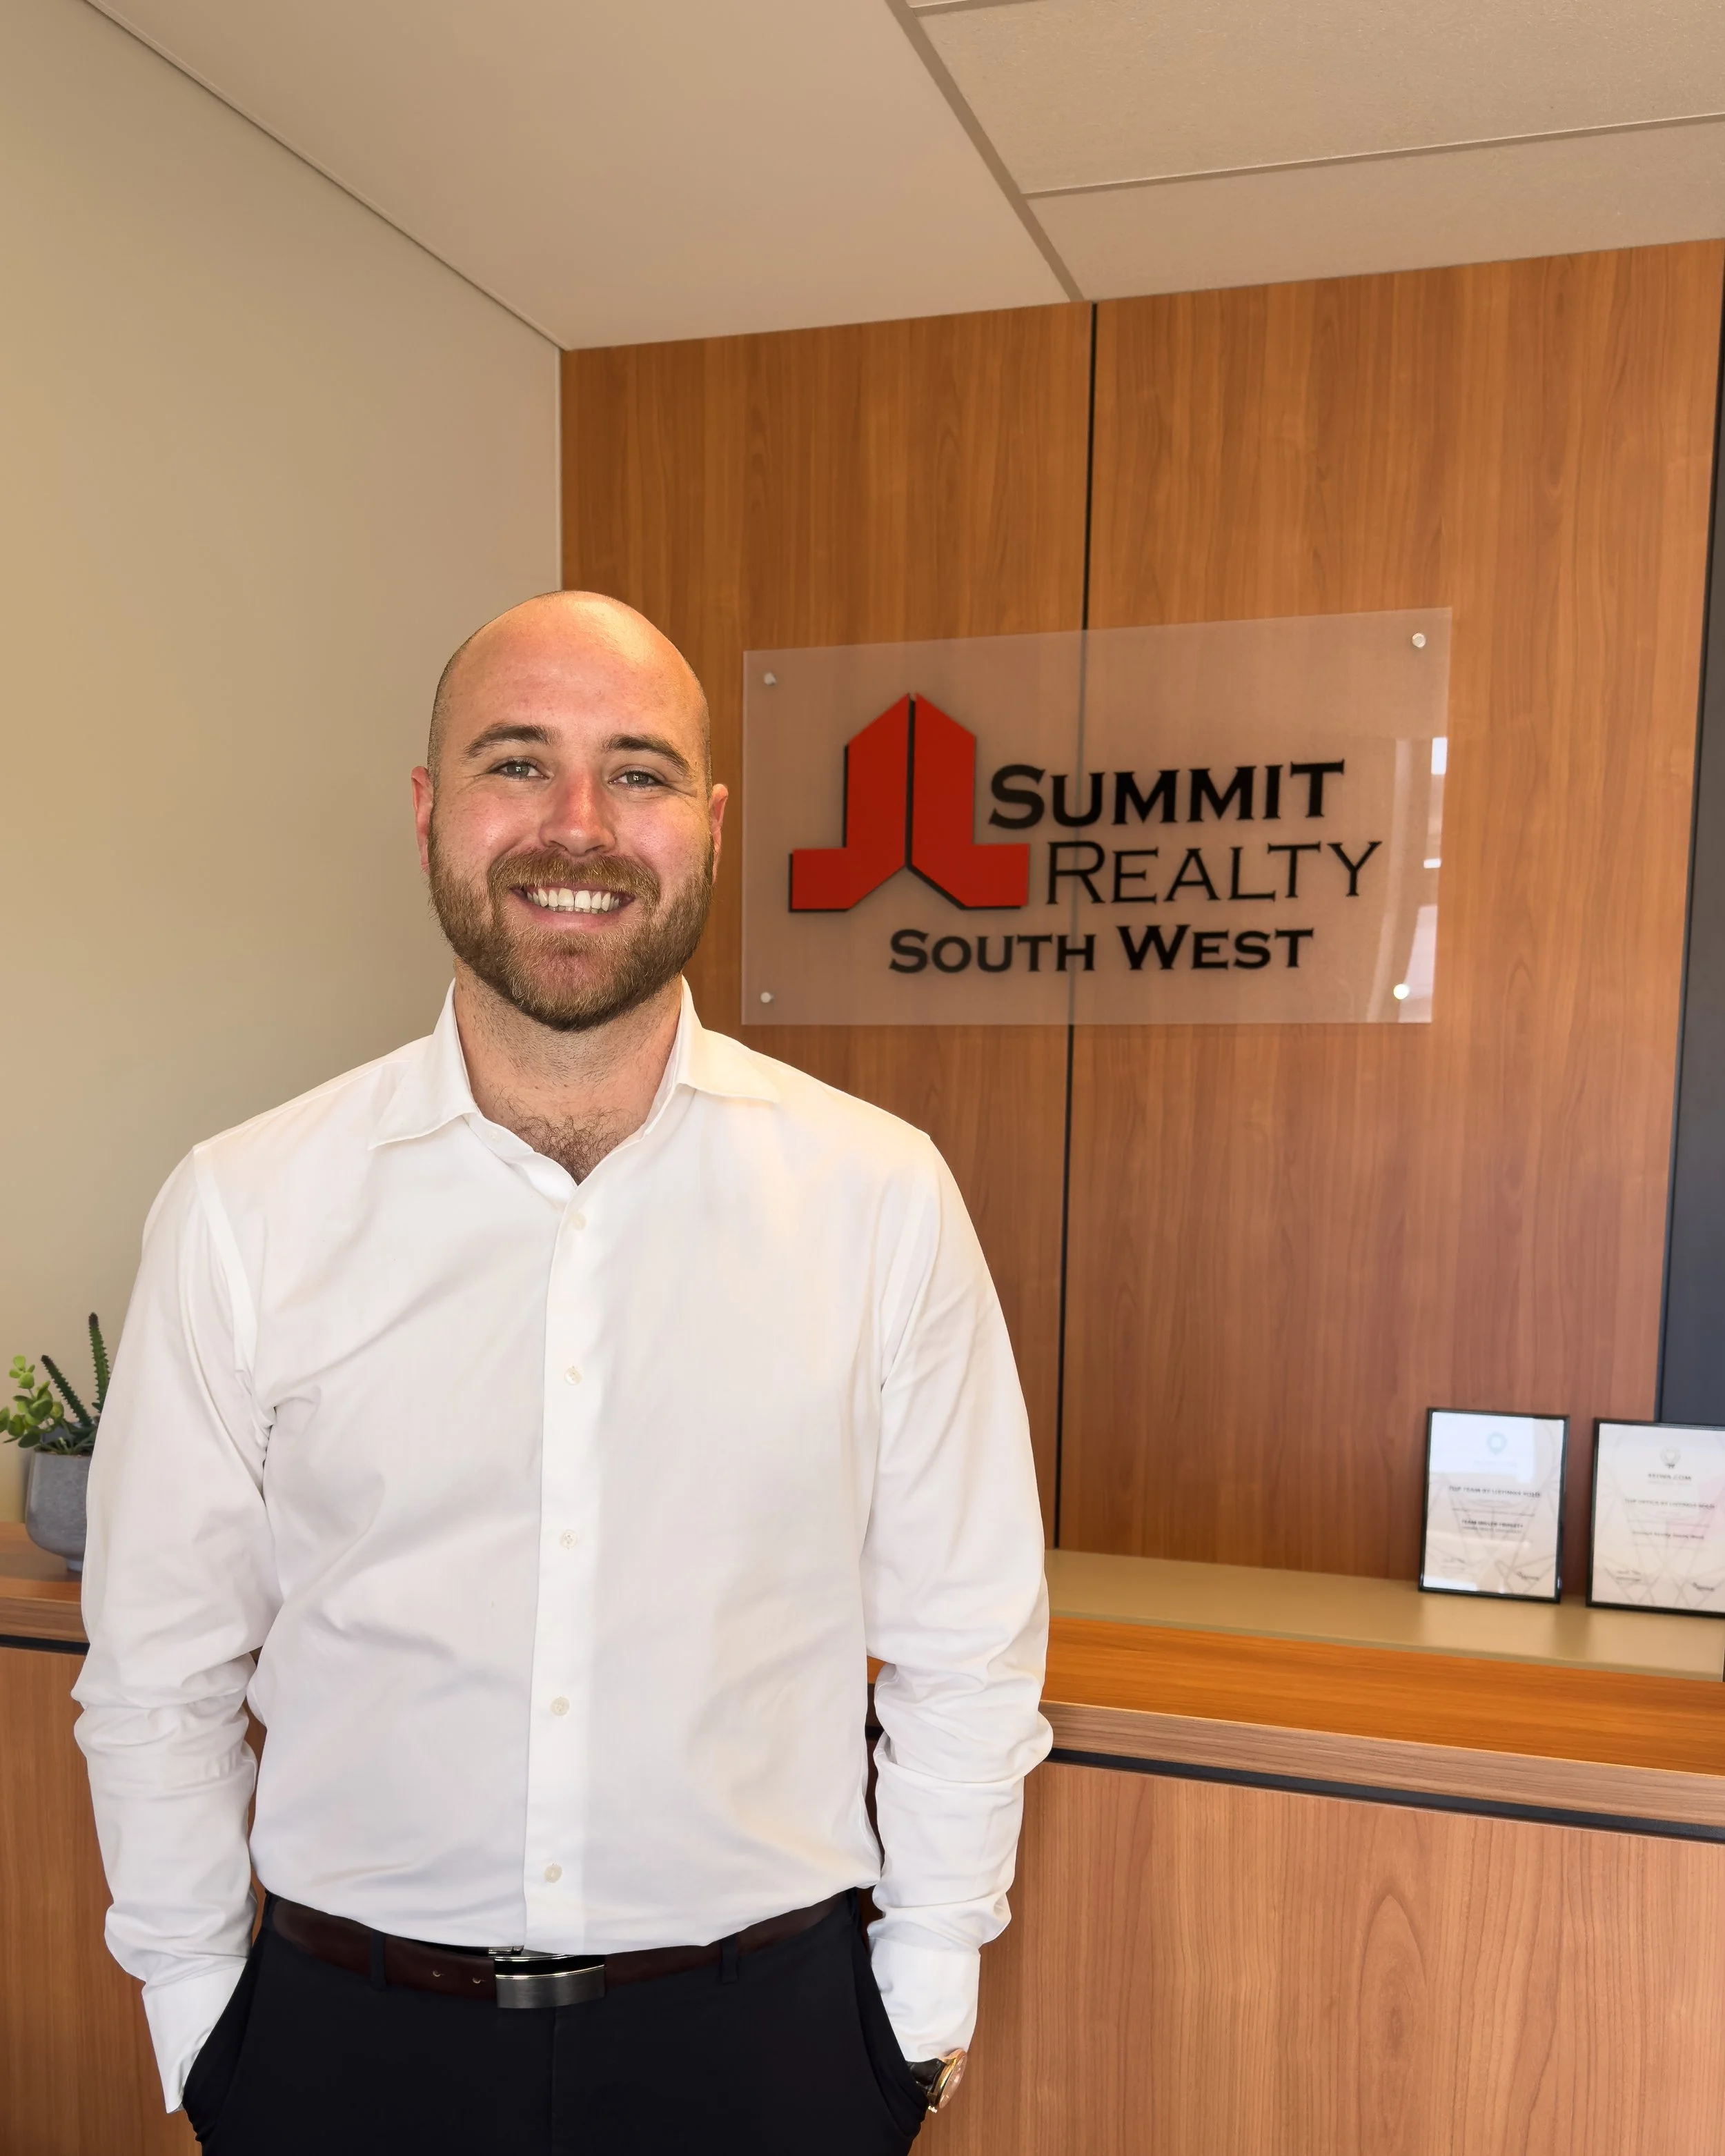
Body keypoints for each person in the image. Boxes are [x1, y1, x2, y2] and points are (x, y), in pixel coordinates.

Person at [74, 591, 1051, 2155]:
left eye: (640, 772)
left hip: (767, 2048)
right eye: (516, 762)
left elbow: (965, 1641)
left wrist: (921, 1993)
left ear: (711, 824)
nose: (577, 825)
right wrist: (199, 2011)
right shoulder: (247, 1208)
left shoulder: (877, 1196)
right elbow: (158, 1671)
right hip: (343, 2050)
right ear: (428, 813)